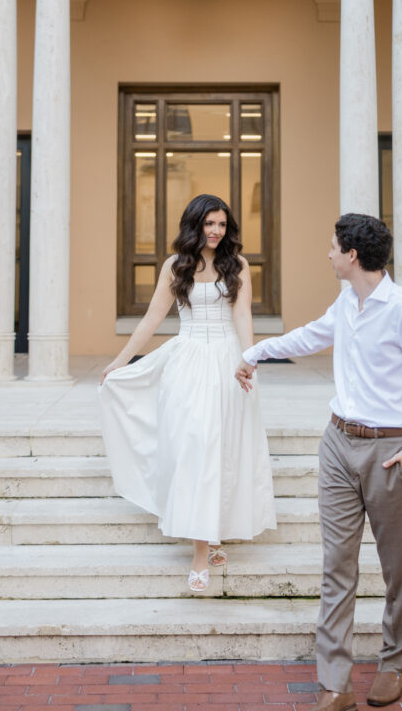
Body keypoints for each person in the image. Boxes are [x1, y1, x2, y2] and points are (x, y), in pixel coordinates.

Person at [236, 213, 402, 710]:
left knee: (398, 567)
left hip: (388, 451)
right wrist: (255, 352)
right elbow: (312, 336)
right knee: (337, 565)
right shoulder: (347, 302)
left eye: (333, 247)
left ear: (353, 256)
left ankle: (394, 663)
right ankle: (335, 682)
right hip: (337, 443)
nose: (328, 254)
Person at [99, 193, 276, 593]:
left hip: (229, 362)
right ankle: (201, 552)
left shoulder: (239, 265)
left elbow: (243, 314)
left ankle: (212, 535)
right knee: (196, 446)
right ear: (194, 224)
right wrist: (121, 361)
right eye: (209, 223)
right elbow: (152, 318)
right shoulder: (175, 266)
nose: (216, 231)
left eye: (222, 224)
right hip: (188, 362)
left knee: (222, 449)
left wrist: (248, 360)